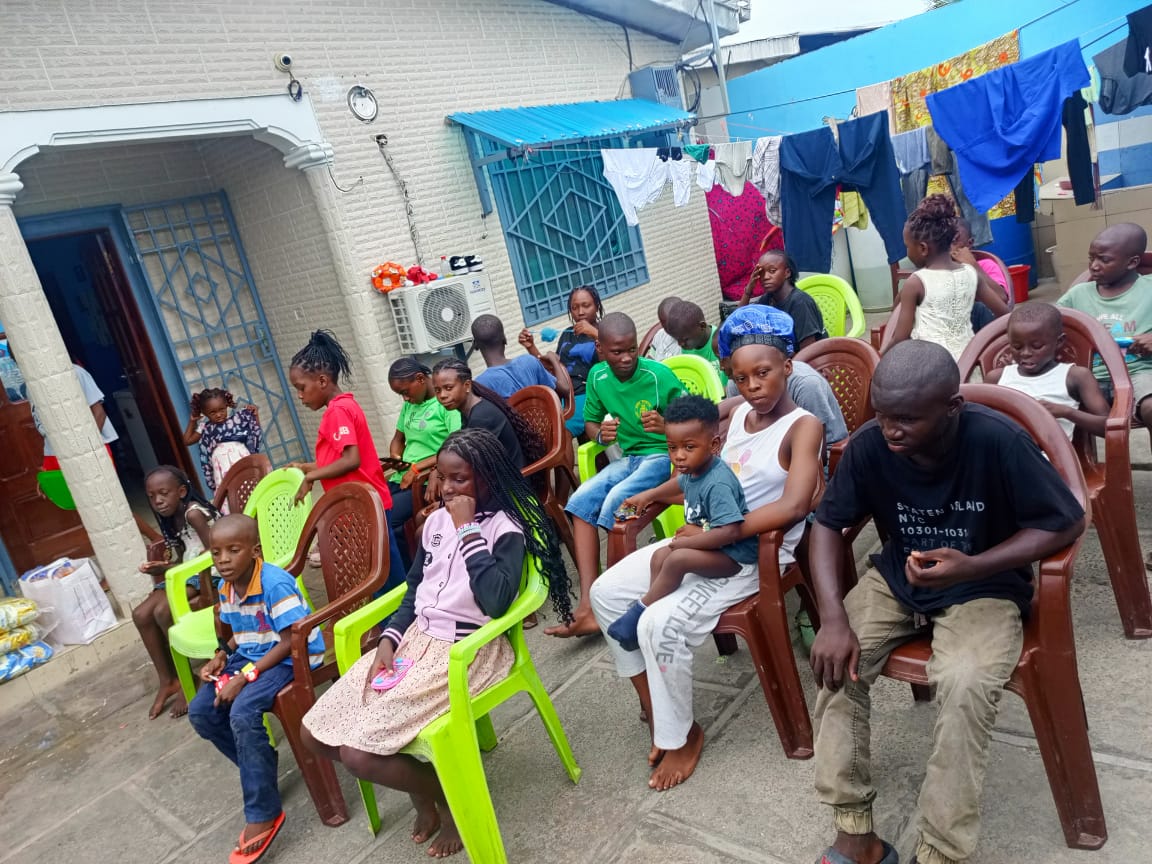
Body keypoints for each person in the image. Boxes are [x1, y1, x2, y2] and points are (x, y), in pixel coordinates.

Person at [807, 340, 1085, 864]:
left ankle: (940, 849)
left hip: (985, 586)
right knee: (836, 666)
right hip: (898, 580)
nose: (891, 430)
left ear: (952, 407)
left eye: (908, 419)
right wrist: (833, 616)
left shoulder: (998, 440)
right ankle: (854, 831)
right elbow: (827, 523)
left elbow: (1065, 520)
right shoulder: (870, 445)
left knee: (965, 684)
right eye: (883, 415)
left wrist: (974, 565)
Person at [299, 428, 574, 858]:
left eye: (459, 479)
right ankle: (424, 793)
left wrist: (467, 529)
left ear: (487, 478)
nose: (446, 488)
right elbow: (415, 589)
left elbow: (496, 601)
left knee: (358, 755)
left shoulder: (506, 529)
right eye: (443, 478)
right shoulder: (434, 524)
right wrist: (389, 639)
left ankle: (446, 797)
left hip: (468, 652)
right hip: (414, 645)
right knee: (313, 733)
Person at [589, 305, 823, 789]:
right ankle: (661, 714)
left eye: (763, 373)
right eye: (741, 377)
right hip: (705, 540)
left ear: (787, 367)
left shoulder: (802, 426)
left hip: (750, 555)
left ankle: (681, 737)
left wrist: (723, 529)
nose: (753, 386)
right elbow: (695, 468)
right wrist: (652, 494)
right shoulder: (734, 417)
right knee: (605, 593)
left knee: (657, 622)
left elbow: (796, 504)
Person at [189, 514, 324, 864]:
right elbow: (240, 634)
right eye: (216, 552)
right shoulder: (227, 585)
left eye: (233, 550)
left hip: (290, 657)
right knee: (201, 711)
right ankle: (259, 765)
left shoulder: (273, 584)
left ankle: (264, 811)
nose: (223, 560)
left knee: (242, 710)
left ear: (255, 551)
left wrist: (244, 677)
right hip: (252, 654)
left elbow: (290, 639)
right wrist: (221, 655)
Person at [547, 312, 684, 638]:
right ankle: (588, 605)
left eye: (631, 349)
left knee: (613, 504)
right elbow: (591, 422)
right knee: (580, 502)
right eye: (617, 352)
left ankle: (614, 605)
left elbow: (697, 422)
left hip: (660, 458)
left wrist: (667, 426)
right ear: (601, 349)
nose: (626, 358)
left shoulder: (658, 376)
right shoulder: (597, 377)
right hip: (629, 457)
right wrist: (599, 434)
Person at [606, 394, 759, 650]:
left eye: (688, 447)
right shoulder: (694, 470)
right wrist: (648, 495)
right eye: (672, 447)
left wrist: (689, 543)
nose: (679, 456)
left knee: (677, 558)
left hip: (736, 558)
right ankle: (653, 608)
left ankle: (639, 612)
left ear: (713, 445)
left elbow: (731, 531)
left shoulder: (717, 482)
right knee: (659, 556)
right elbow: (678, 483)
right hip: (711, 545)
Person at [287, 329, 405, 590]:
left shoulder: (337, 411)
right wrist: (305, 467)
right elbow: (339, 464)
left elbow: (351, 460)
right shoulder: (345, 405)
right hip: (366, 505)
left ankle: (400, 613)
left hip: (364, 507)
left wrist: (311, 476)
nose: (300, 396)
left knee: (380, 578)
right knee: (384, 572)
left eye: (301, 388)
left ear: (322, 380)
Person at [1055, 223, 1152, 436]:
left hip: (1139, 373)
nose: (1094, 266)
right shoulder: (1078, 294)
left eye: (1104, 260)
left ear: (1132, 262)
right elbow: (1047, 321)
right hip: (1088, 378)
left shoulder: (1149, 288)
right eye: (1091, 258)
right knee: (1045, 401)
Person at [136, 465, 217, 720]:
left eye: (164, 493)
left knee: (163, 610)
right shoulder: (172, 517)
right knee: (141, 614)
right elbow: (183, 557)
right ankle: (169, 680)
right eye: (152, 496)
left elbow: (215, 551)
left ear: (181, 492)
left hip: (210, 573)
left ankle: (186, 678)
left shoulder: (193, 514)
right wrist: (163, 567)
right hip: (187, 572)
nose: (158, 501)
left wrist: (174, 569)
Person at [887, 194, 1009, 360]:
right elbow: (1005, 315)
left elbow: (899, 339)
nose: (907, 252)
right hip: (968, 363)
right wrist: (982, 345)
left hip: (931, 367)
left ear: (923, 248)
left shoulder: (916, 282)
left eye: (907, 247)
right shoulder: (971, 274)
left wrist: (877, 358)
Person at [985, 303, 1109, 440]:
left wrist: (1067, 412)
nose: (1025, 353)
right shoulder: (997, 378)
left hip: (1049, 452)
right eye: (1017, 347)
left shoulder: (1075, 376)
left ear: (1059, 342)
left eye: (1037, 346)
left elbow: (1108, 427)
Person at [386, 358, 461, 570]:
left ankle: (408, 573)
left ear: (420, 379)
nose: (405, 398)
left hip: (426, 480)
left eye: (405, 392)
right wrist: (396, 457)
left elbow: (454, 445)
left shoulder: (445, 403)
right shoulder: (409, 406)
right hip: (403, 476)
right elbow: (398, 439)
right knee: (373, 510)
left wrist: (417, 467)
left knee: (387, 519)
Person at [430, 359, 544, 473]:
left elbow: (474, 465)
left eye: (449, 388)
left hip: (512, 480)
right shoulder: (469, 410)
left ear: (467, 385)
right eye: (437, 390)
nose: (442, 395)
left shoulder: (481, 417)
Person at [519, 284, 603, 437]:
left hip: (590, 396)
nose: (580, 312)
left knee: (561, 431)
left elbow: (613, 360)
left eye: (586, 306)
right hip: (565, 395)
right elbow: (555, 369)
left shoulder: (606, 330)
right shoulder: (567, 334)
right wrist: (531, 347)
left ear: (597, 306)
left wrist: (595, 333)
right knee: (541, 429)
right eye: (574, 308)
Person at [32, 361, 118, 470]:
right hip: (54, 453)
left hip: (88, 449)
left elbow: (99, 414)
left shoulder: (74, 372)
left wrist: (88, 449)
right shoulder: (31, 385)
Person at [737, 248, 828, 351]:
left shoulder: (800, 303)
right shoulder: (768, 299)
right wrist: (748, 290)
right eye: (761, 273)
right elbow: (738, 322)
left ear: (787, 273)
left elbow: (808, 351)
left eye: (772, 271)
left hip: (808, 358)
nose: (765, 277)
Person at [471, 314, 570, 401]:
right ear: (505, 339)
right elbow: (565, 390)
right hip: (544, 417)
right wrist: (554, 360)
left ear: (475, 345)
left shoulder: (479, 386)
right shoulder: (529, 361)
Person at [183, 387, 263, 495]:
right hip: (222, 465)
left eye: (222, 409)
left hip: (241, 458)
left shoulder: (238, 420)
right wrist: (193, 420)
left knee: (250, 486)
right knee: (229, 491)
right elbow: (187, 440)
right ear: (204, 413)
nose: (218, 414)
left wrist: (255, 414)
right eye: (212, 412)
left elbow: (254, 429)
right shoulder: (205, 428)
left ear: (226, 405)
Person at [664, 301, 727, 385]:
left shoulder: (720, 344)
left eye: (685, 339)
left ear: (702, 326)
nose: (680, 344)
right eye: (677, 340)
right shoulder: (687, 348)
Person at [646, 295, 683, 362]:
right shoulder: (660, 335)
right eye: (666, 326)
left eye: (674, 323)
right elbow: (651, 358)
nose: (671, 329)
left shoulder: (689, 343)